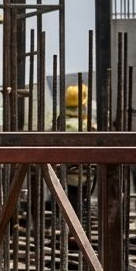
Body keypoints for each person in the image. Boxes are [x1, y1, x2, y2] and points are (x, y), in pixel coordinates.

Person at [57, 84, 94, 219]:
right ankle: (76, 230)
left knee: (68, 202)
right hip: (82, 174)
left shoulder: (61, 123)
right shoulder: (86, 125)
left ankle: (69, 228)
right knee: (79, 203)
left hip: (64, 174)